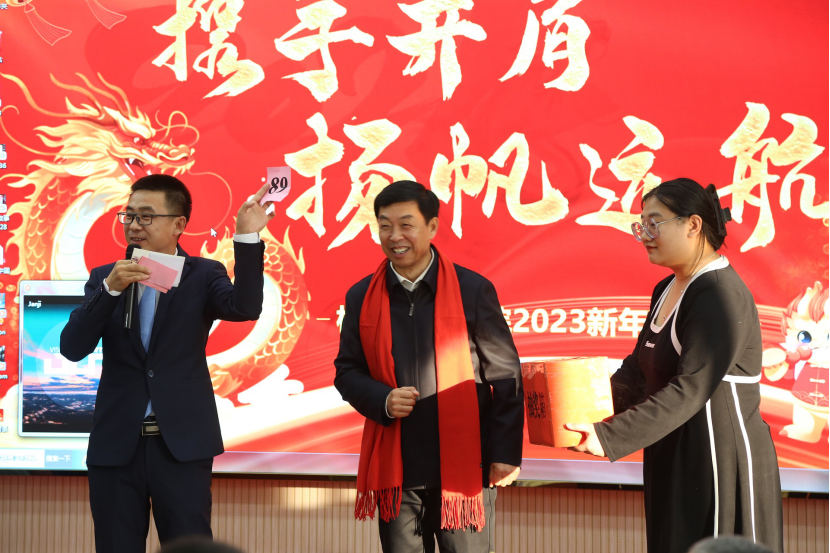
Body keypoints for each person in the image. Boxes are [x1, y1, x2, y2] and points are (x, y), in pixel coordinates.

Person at [566, 178, 784, 553]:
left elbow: (692, 388)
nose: (644, 236)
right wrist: (579, 410)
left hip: (717, 457)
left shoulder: (718, 293)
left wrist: (609, 436)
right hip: (671, 449)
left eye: (654, 223)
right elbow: (638, 372)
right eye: (641, 225)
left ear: (693, 225)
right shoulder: (666, 288)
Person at [61, 174, 273, 553]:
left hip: (181, 446)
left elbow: (244, 307)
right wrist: (110, 291)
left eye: (146, 216)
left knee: (188, 546)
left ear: (178, 224)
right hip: (117, 446)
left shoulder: (203, 274)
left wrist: (246, 237)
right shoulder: (105, 278)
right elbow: (72, 347)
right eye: (129, 215)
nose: (134, 225)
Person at [334, 180, 524, 553]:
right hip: (397, 466)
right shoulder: (361, 296)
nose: (395, 236)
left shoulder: (473, 290)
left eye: (406, 225)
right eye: (385, 226)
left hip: (465, 467)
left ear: (432, 227)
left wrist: (504, 454)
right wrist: (383, 399)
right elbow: (347, 371)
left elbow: (506, 376)